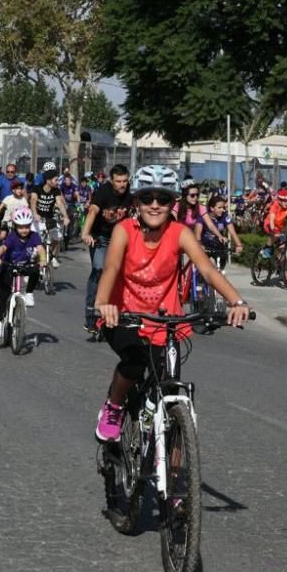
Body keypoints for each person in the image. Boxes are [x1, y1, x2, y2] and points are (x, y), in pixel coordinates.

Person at [91, 166, 251, 442]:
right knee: (134, 362)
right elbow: (111, 267)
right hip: (124, 315)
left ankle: (169, 446)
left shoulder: (179, 233)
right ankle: (114, 407)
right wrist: (103, 302)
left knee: (164, 378)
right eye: (147, 198)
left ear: (172, 203)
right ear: (136, 202)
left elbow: (208, 270)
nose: (155, 205)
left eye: (163, 199)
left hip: (165, 321)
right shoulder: (124, 231)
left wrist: (236, 301)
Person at [80, 164, 133, 332]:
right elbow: (93, 211)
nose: (122, 185)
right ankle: (91, 314)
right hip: (100, 237)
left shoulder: (130, 193)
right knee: (99, 269)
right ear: (112, 180)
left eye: (125, 181)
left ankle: (125, 312)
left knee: (125, 273)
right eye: (118, 181)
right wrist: (85, 233)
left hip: (119, 238)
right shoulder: (104, 191)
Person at [0, 207, 47, 338]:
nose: (24, 230)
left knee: (35, 269)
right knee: (4, 294)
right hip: (8, 266)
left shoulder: (34, 236)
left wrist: (43, 259)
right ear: (15, 226)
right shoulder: (12, 237)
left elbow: (40, 248)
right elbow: (3, 247)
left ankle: (29, 293)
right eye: (21, 227)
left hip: (24, 266)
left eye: (27, 226)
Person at [30, 165, 71, 268]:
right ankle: (31, 266)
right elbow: (33, 201)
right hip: (37, 219)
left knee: (57, 238)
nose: (58, 182)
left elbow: (60, 204)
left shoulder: (56, 190)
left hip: (50, 219)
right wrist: (35, 214)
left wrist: (65, 216)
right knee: (35, 247)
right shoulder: (37, 188)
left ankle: (51, 256)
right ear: (48, 180)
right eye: (56, 180)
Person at [196, 195, 243, 269]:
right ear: (211, 208)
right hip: (205, 246)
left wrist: (239, 245)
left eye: (224, 207)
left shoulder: (225, 216)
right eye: (219, 207)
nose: (222, 210)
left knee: (220, 269)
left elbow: (232, 232)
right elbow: (198, 232)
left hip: (218, 246)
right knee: (200, 268)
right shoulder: (203, 216)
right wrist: (199, 244)